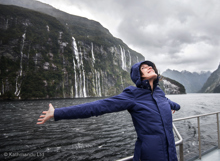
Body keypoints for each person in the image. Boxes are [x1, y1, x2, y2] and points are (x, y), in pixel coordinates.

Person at [37, 60, 180, 161]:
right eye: (144, 67)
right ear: (138, 75)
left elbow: (173, 104)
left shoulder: (160, 94)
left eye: (150, 66)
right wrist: (57, 113)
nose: (149, 67)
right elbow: (97, 106)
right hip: (150, 155)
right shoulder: (132, 95)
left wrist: (171, 108)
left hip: (171, 154)